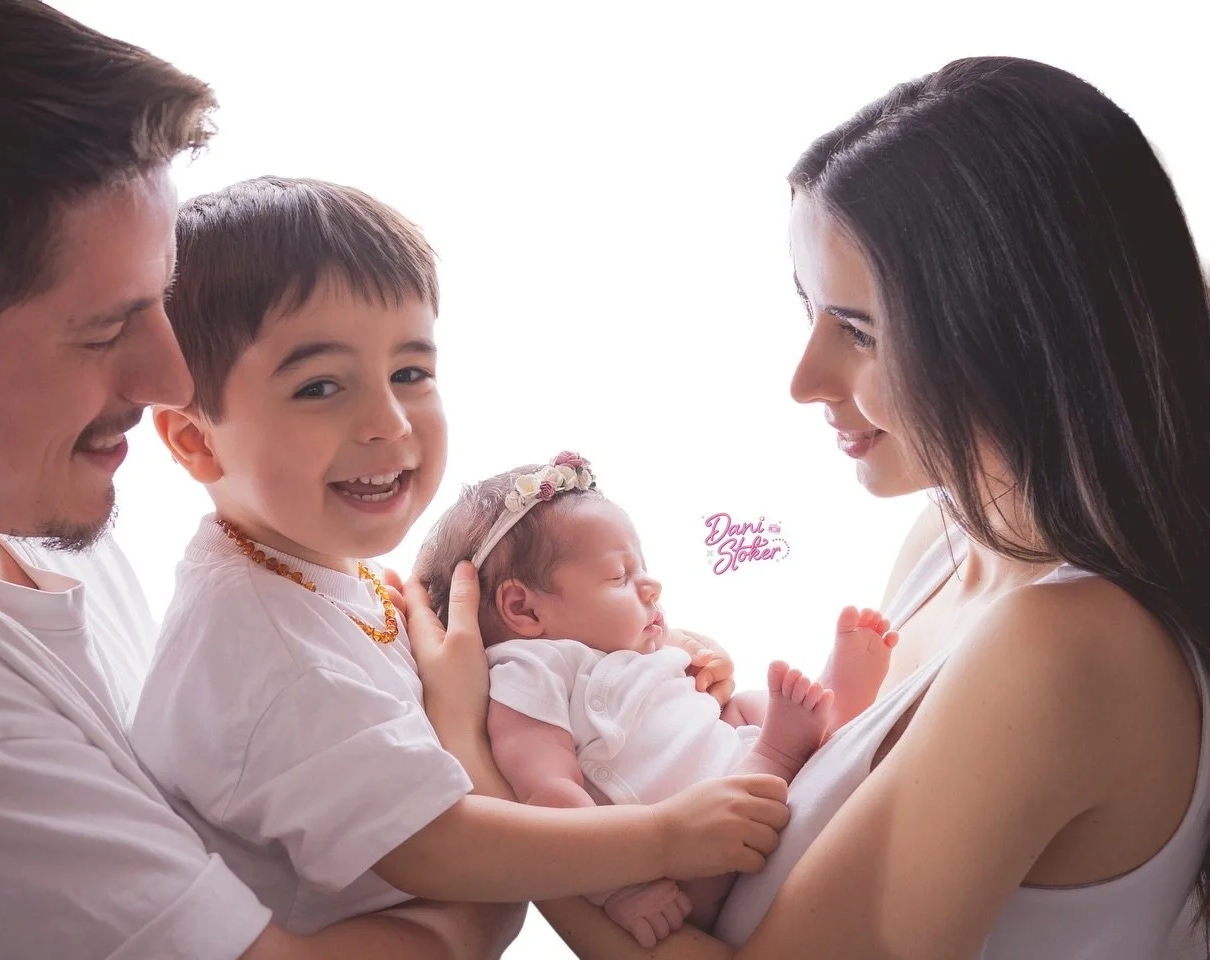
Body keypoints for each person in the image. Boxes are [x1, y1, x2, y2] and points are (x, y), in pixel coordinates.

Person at [405, 56, 1210, 957]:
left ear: (1013, 335)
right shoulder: (946, 543)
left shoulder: (1066, 648)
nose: (804, 380)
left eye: (858, 330)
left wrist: (477, 766)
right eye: (812, 315)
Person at [0, 2, 523, 956]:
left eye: (161, 303)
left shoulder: (7, 502)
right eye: (104, 327)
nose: (171, 380)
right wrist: (479, 796)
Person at [129, 176, 793, 940]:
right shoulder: (273, 655)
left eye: (411, 373)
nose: (387, 422)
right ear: (194, 439)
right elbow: (440, 847)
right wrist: (665, 837)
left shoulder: (317, 563)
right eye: (319, 386)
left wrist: (646, 658)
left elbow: (497, 677)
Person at [411, 452, 896, 946]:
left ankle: (827, 717)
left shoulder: (625, 649)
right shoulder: (529, 670)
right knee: (764, 739)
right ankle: (785, 750)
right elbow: (549, 796)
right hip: (696, 864)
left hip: (723, 776)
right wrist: (617, 888)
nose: (651, 585)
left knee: (744, 704)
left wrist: (690, 655)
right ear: (523, 609)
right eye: (620, 577)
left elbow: (693, 705)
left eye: (642, 568)